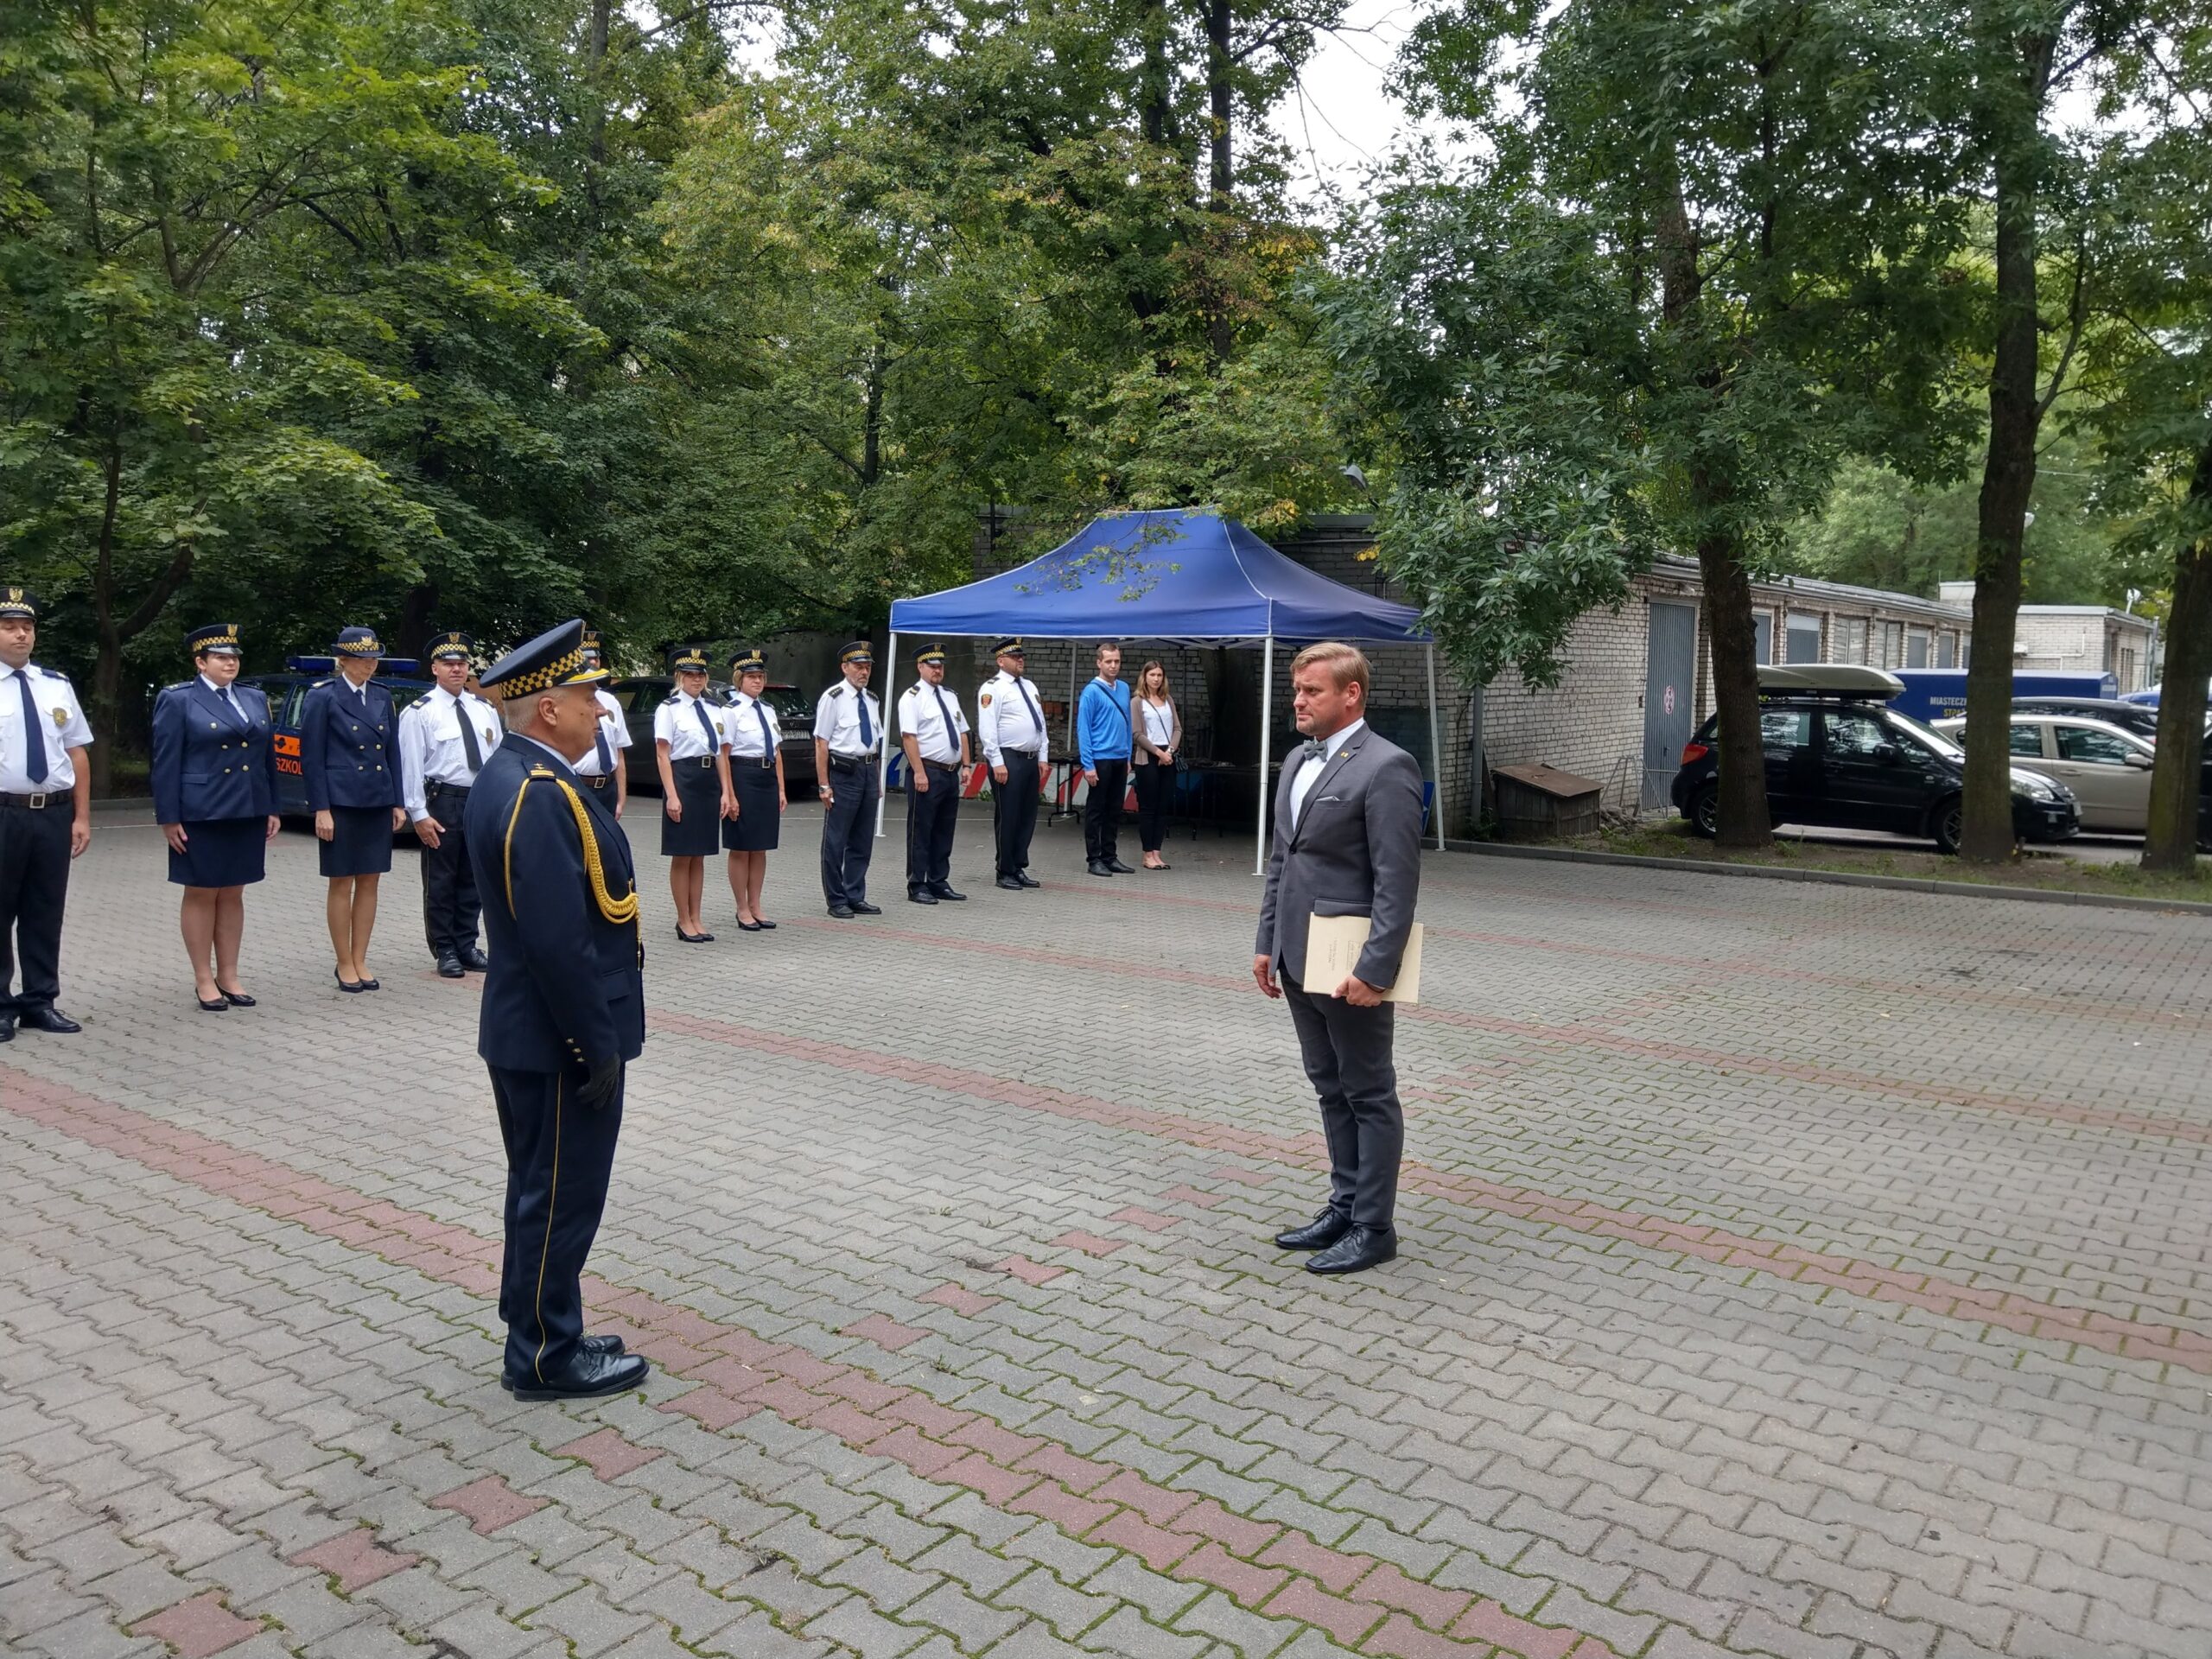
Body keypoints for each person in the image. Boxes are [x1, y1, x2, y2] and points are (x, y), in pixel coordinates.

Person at [466, 618, 649, 1401]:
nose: (600, 710)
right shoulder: (535, 793)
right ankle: (545, 1355)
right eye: (587, 697)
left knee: (540, 1187)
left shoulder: (523, 776)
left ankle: (543, 1320)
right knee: (560, 1196)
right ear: (548, 708)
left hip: (535, 1031)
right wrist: (594, 1043)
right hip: (557, 1038)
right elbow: (556, 941)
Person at [1252, 643, 1423, 1276]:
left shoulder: (1387, 766)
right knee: (1329, 1085)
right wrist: (1266, 942)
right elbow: (1282, 861)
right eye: (1296, 689)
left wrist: (1377, 969)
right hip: (1298, 957)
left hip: (1350, 962)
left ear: (1351, 694)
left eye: (1311, 691)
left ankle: (1374, 1226)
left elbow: (1396, 882)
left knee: (1368, 1090)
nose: (1297, 700)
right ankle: (1344, 1205)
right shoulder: (1298, 759)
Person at [151, 622, 281, 1012]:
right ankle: (203, 978)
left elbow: (267, 757)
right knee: (202, 891)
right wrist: (169, 816)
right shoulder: (179, 699)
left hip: (247, 807)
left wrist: (271, 806)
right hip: (202, 810)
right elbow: (165, 761)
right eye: (221, 657)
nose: (230, 663)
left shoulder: (253, 697)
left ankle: (229, 974)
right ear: (200, 662)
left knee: (234, 891)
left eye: (234, 657)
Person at [0, 587, 92, 1042]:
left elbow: (76, 752)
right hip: (4, 812)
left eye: (28, 627)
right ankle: (1, 1006)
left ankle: (40, 1001)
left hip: (53, 813)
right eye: (10, 627)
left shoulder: (55, 684)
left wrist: (82, 817)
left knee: (45, 909)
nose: (21, 635)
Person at [300, 626, 405, 993]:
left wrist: (397, 801)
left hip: (376, 798)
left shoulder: (381, 695)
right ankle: (343, 960)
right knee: (341, 881)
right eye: (362, 659)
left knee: (371, 879)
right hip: (341, 801)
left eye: (373, 659)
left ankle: (361, 957)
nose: (369, 665)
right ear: (343, 660)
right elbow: (311, 757)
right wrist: (321, 808)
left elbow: (392, 753)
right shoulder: (323, 696)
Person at [400, 632, 502, 977]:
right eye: (448, 664)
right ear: (435, 669)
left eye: (461, 663)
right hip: (442, 801)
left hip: (479, 800)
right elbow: (411, 767)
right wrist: (418, 814)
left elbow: (497, 759)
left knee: (474, 878)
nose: (457, 669)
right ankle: (444, 948)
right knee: (441, 880)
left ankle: (467, 944)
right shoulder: (420, 713)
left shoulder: (484, 709)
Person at [653, 645, 732, 943]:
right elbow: (663, 754)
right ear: (679, 677)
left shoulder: (713, 708)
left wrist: (726, 792)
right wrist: (672, 795)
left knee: (699, 855)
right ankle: (683, 919)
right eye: (690, 675)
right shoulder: (669, 709)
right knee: (683, 854)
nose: (696, 680)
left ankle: (697, 917)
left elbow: (720, 754)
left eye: (700, 675)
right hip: (683, 779)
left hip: (707, 782)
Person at [813, 641, 883, 918]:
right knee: (836, 839)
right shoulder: (833, 698)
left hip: (868, 771)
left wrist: (877, 779)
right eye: (858, 667)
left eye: (867, 667)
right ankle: (836, 898)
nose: (864, 672)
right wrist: (823, 784)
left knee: (862, 839)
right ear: (845, 668)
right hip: (844, 772)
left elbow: (875, 743)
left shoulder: (872, 700)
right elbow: (821, 743)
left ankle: (855, 894)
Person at [897, 645, 969, 905]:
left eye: (940, 666)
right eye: (932, 666)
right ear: (920, 667)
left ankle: (938, 881)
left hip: (950, 772)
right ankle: (917, 884)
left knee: (944, 830)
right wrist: (918, 772)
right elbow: (909, 737)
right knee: (921, 831)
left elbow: (962, 732)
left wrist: (967, 765)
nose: (937, 670)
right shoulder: (912, 698)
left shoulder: (950, 695)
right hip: (927, 770)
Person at [720, 649, 785, 931]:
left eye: (760, 676)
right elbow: (724, 754)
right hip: (742, 775)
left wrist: (781, 789)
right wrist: (729, 793)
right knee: (742, 845)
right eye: (751, 677)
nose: (757, 681)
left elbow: (777, 752)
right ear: (740, 679)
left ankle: (756, 904)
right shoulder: (730, 711)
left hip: (766, 776)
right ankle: (742, 908)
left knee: (760, 846)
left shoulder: (768, 710)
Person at [976, 639, 1046, 891]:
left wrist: (1043, 756)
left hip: (1029, 758)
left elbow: (1041, 723)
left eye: (1021, 656)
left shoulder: (1029, 686)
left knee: (1027, 815)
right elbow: (988, 729)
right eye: (1015, 657)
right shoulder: (992, 688)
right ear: (1001, 661)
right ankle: (1004, 870)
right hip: (1008, 758)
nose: (1020, 660)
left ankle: (1018, 866)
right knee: (1009, 816)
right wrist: (997, 762)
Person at [1077, 642, 1135, 878]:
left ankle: (1110, 856)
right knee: (1096, 810)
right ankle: (1094, 859)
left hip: (1120, 758)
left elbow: (1128, 723)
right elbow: (1083, 730)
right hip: (1100, 758)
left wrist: (1128, 755)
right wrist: (1088, 765)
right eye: (1108, 661)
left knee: (1114, 809)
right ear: (1099, 663)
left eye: (1117, 661)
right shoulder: (1091, 691)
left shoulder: (1124, 688)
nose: (1113, 665)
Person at [571, 628, 631, 817]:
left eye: (595, 658)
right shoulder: (568, 702)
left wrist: (621, 798)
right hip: (579, 786)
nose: (592, 662)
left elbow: (619, 753)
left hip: (608, 788)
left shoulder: (611, 702)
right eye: (587, 658)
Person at [1130, 659, 1182, 870]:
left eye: (1159, 675)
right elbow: (1137, 734)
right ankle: (1147, 853)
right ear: (1145, 677)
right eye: (1152, 675)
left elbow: (1177, 728)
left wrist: (1169, 751)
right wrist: (1158, 752)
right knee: (1148, 807)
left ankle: (1157, 852)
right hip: (1148, 757)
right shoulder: (1137, 702)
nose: (1156, 679)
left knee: (1163, 806)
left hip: (1167, 756)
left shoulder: (1167, 699)